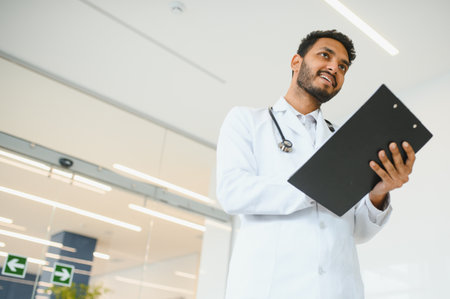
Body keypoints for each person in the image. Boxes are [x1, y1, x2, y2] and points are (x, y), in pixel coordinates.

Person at [216, 30, 416, 299]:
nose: (335, 67)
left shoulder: (343, 140)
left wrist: (379, 192)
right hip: (269, 288)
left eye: (343, 66)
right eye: (325, 55)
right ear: (296, 62)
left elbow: (358, 231)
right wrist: (316, 186)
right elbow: (233, 192)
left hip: (338, 290)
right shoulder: (247, 121)